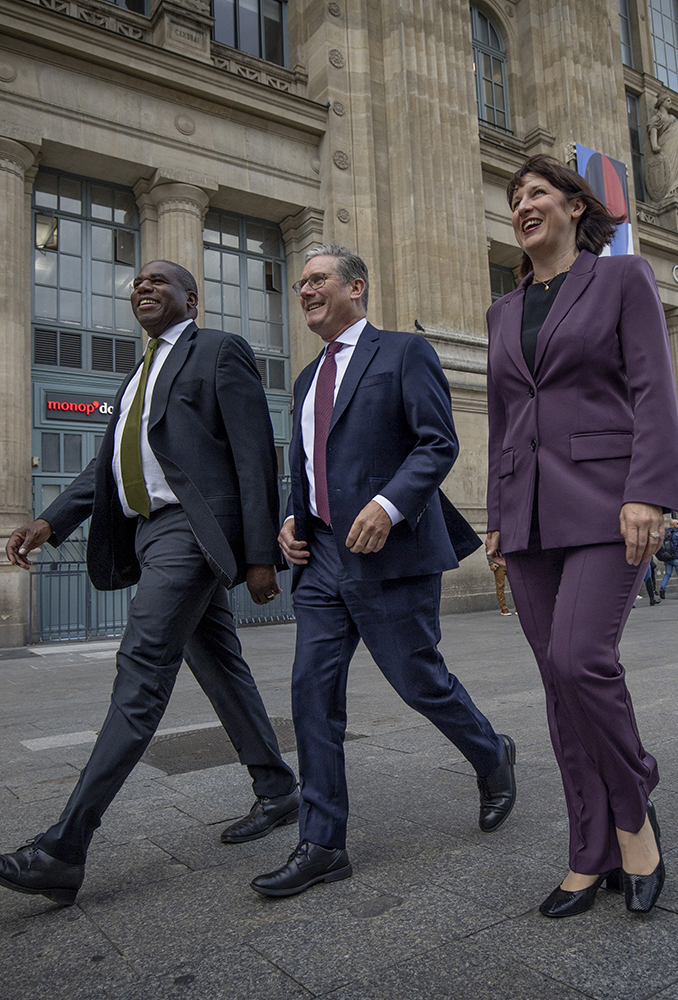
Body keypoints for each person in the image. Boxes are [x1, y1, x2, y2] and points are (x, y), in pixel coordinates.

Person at [0, 260, 297, 906]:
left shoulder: (219, 351)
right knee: (220, 665)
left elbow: (256, 453)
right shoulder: (139, 373)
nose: (143, 288)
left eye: (159, 282)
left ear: (191, 299)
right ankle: (278, 789)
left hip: (193, 534)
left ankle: (62, 849)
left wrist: (261, 556)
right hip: (151, 536)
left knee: (141, 668)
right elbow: (109, 465)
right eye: (137, 283)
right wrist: (49, 521)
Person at [254, 245, 517, 898]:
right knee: (311, 695)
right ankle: (321, 844)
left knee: (418, 681)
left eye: (319, 279)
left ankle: (492, 754)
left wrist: (388, 504)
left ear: (356, 287)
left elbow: (438, 442)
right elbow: (309, 466)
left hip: (390, 557)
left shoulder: (403, 353)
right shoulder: (304, 380)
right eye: (301, 284)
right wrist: (293, 520)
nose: (306, 290)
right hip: (320, 563)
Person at [485, 155, 678, 918]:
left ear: (573, 207)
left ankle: (635, 812)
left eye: (536, 193)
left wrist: (646, 492)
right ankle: (587, 847)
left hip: (605, 502)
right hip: (527, 515)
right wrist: (497, 519)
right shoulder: (504, 311)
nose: (523, 205)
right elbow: (504, 419)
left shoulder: (622, 279)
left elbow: (653, 387)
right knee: (557, 685)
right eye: (513, 199)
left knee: (581, 659)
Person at [660, 518, 678, 599]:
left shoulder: (666, 533)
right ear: (674, 525)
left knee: (667, 574)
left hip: (668, 557)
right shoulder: (677, 533)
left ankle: (662, 588)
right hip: (677, 557)